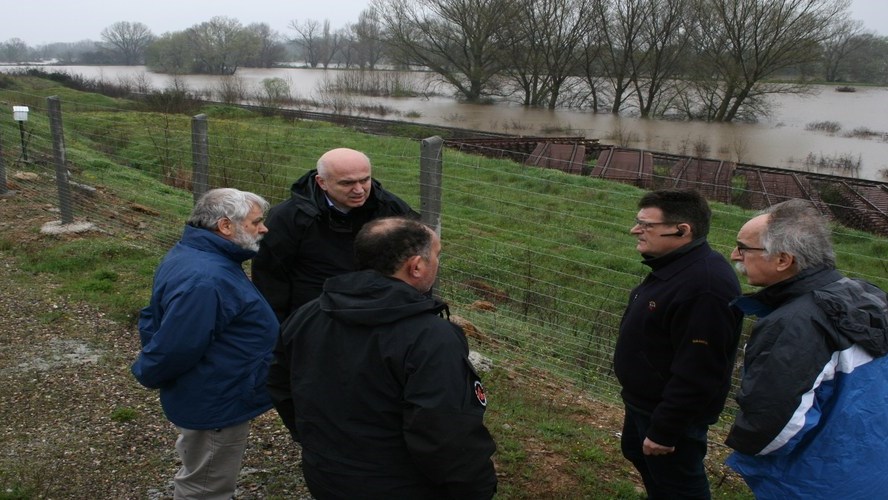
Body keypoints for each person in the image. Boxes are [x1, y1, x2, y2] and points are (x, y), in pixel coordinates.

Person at [267, 216, 497, 499]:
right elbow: (446, 432)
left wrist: (314, 442)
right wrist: (477, 489)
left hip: (326, 475)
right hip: (401, 486)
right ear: (416, 266)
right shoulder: (431, 337)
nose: (437, 262)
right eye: (436, 255)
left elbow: (281, 384)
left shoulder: (308, 314)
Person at [724, 199, 888, 498]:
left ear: (783, 260)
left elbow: (776, 427)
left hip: (811, 481)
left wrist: (747, 446)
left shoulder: (796, 324)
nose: (735, 255)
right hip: (868, 470)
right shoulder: (864, 297)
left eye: (743, 248)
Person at [131, 188, 279, 500]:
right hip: (217, 396)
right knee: (205, 486)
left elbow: (152, 315)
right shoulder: (208, 278)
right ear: (226, 226)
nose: (264, 228)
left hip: (212, 388)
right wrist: (149, 370)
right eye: (257, 222)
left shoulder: (197, 255)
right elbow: (177, 345)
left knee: (203, 465)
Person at [612, 189, 743, 499]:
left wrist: (665, 430)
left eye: (645, 225)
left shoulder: (705, 288)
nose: (635, 230)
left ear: (683, 230)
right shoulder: (673, 267)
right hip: (645, 402)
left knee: (679, 486)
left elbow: (700, 371)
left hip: (669, 414)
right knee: (640, 456)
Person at [251, 147, 418, 322]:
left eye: (365, 180)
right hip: (315, 317)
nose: (359, 190)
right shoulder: (289, 217)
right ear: (321, 182)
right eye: (347, 183)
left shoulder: (391, 210)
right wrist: (281, 330)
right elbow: (270, 276)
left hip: (376, 313)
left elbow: (418, 260)